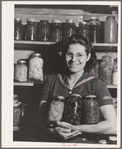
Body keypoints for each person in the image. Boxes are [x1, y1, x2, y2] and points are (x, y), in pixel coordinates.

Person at [36, 34, 116, 143]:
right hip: (54, 142)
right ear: (64, 55)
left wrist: (76, 129)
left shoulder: (97, 84)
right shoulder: (51, 80)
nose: (74, 59)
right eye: (70, 54)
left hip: (85, 143)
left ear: (87, 57)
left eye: (80, 55)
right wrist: (53, 130)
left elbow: (111, 125)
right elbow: (39, 120)